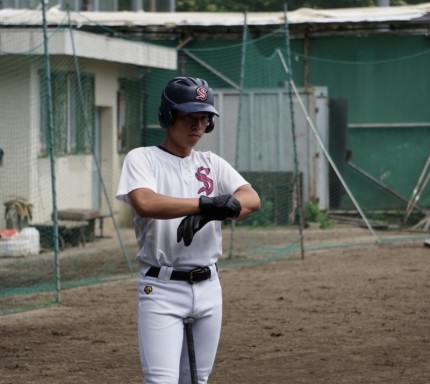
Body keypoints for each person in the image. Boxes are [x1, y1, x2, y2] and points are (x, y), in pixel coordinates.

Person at [116, 76, 260, 384]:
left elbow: (251, 199)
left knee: (198, 380)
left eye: (204, 117)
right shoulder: (142, 158)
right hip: (161, 288)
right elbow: (145, 203)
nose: (198, 125)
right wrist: (205, 204)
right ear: (168, 117)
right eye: (188, 116)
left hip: (209, 286)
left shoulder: (210, 162)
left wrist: (219, 208)